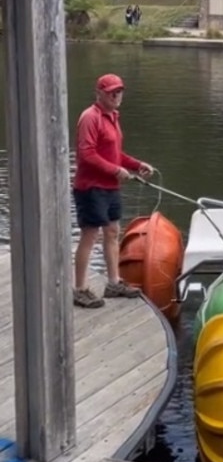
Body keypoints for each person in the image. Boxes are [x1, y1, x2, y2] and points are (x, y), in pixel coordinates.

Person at [72, 73, 154, 308]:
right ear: (100, 93)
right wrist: (115, 170)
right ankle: (79, 289)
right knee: (90, 235)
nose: (117, 96)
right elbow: (87, 154)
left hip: (110, 186)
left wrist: (136, 165)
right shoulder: (90, 117)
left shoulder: (113, 117)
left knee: (112, 232)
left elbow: (115, 153)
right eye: (112, 92)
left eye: (119, 91)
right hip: (91, 187)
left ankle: (113, 283)